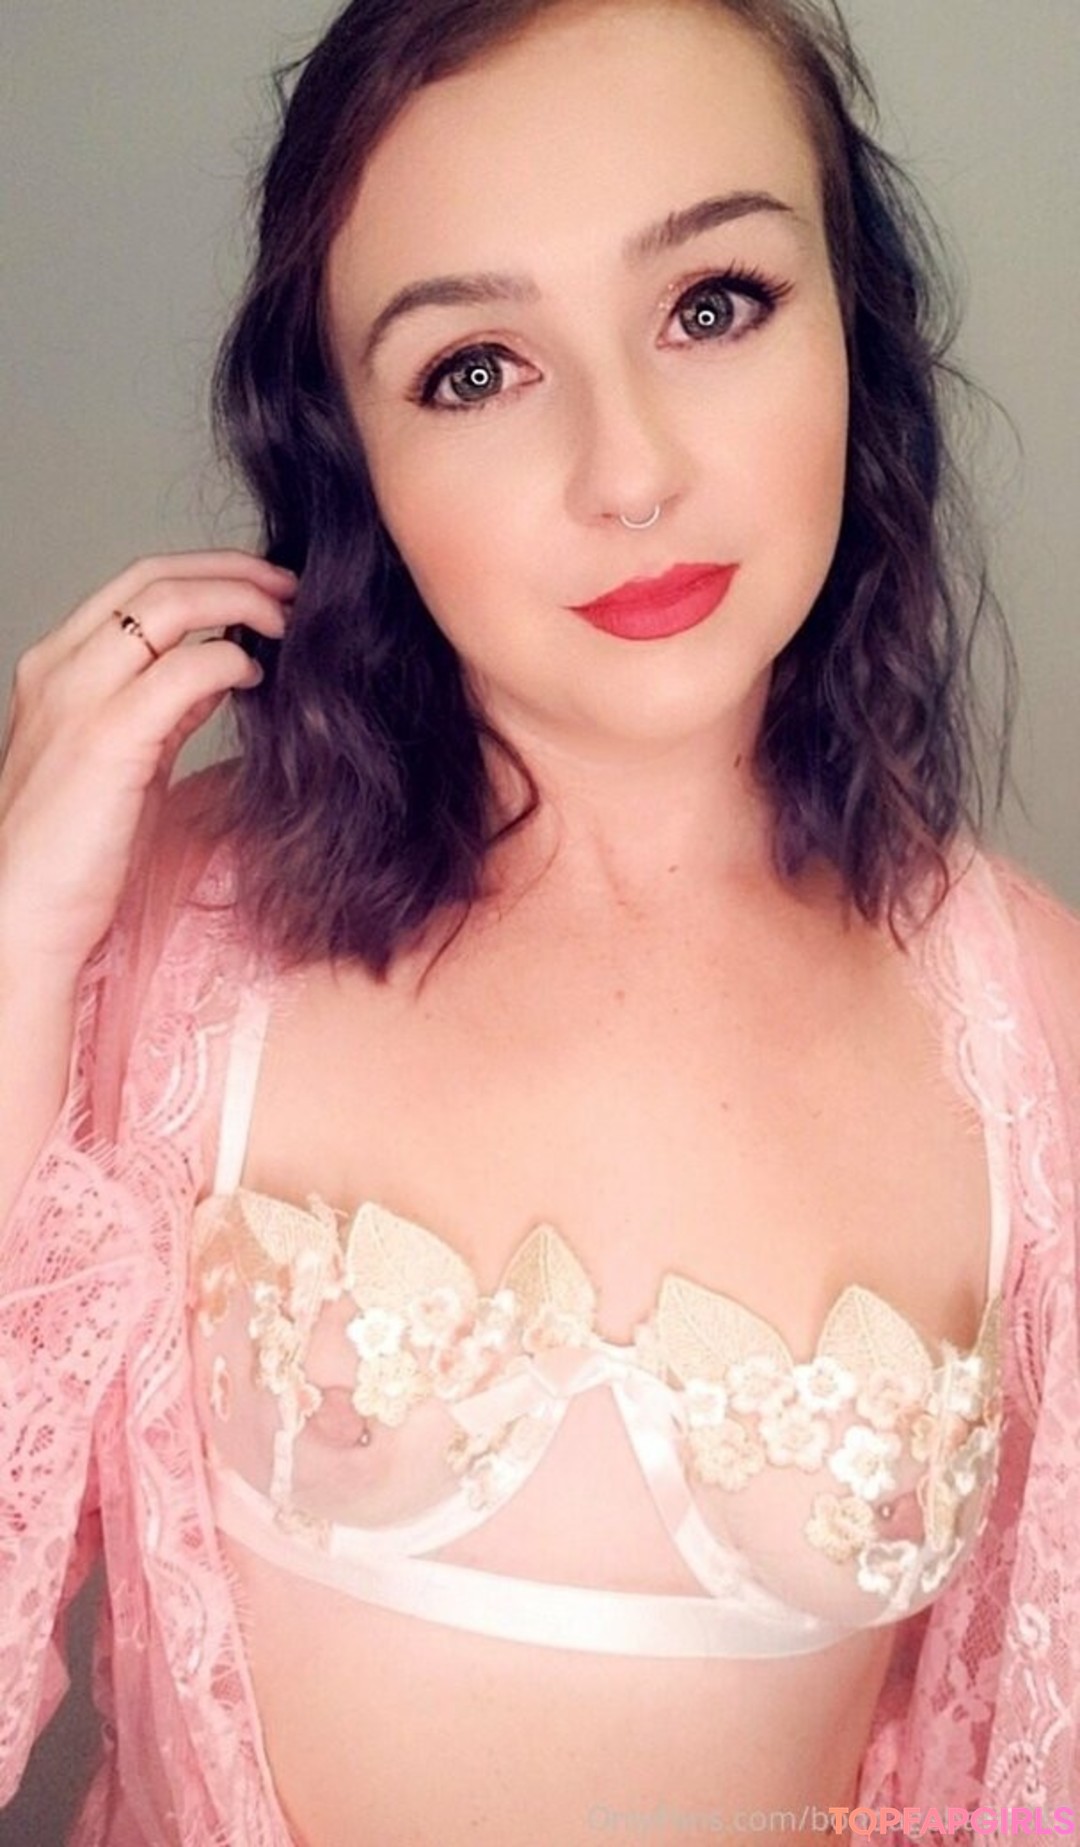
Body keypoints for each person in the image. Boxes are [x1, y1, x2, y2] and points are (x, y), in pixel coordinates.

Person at [1, 0, 1077, 1842]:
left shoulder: (1035, 1025)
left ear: (856, 324)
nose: (630, 473)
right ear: (350, 450)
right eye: (476, 368)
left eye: (714, 304)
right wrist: (20, 940)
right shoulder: (170, 922)